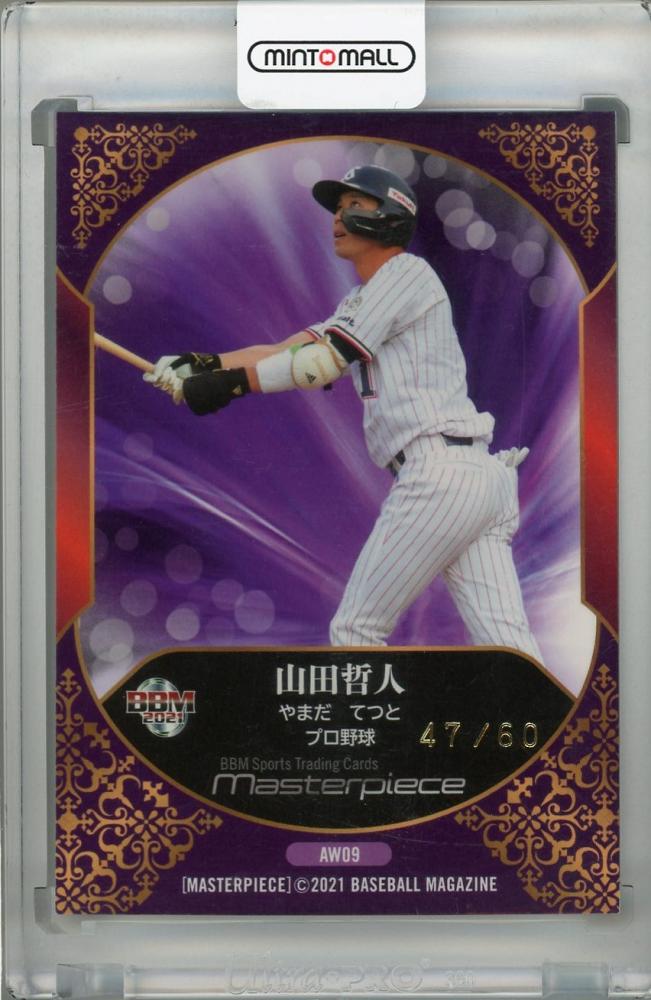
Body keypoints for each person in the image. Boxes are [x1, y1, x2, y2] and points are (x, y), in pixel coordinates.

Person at [145, 164, 542, 660]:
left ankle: (381, 719)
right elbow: (287, 350)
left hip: (441, 473)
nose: (338, 216)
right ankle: (551, 714)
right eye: (337, 208)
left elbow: (320, 365)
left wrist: (228, 385)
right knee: (511, 653)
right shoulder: (363, 300)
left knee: (356, 630)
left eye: (354, 205)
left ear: (391, 214)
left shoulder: (405, 273)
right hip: (473, 477)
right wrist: (203, 363)